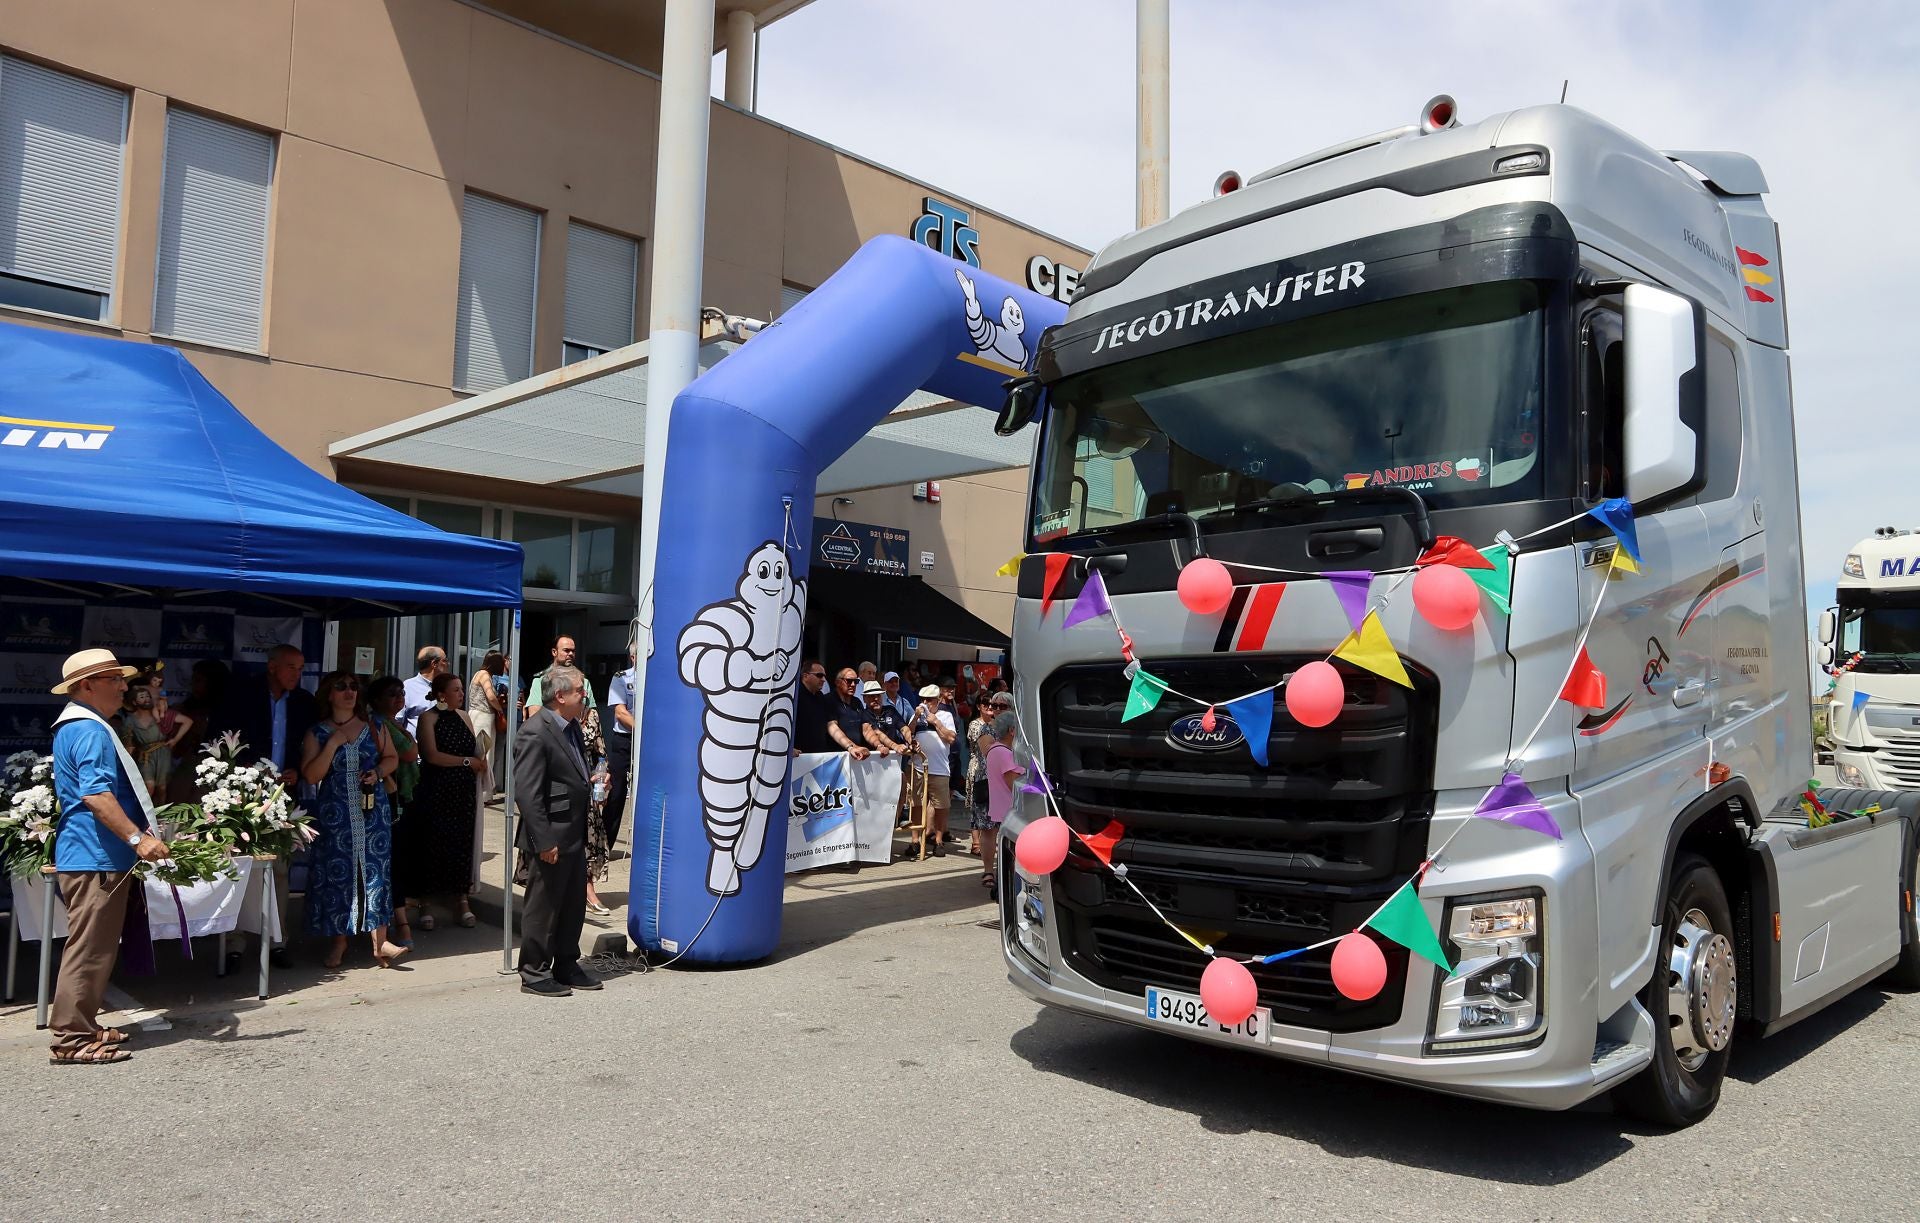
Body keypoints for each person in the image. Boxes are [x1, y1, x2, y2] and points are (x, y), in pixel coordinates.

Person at [46, 649, 169, 1065]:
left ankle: (83, 1025)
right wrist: (139, 840)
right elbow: (96, 796)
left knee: (95, 949)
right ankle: (71, 1039)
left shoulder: (82, 726)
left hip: (93, 854)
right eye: (114, 679)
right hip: (95, 856)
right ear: (86, 686)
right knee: (89, 950)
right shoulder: (90, 730)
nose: (124, 687)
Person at [210, 643, 315, 968]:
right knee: (240, 869)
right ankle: (234, 944)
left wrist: (296, 769)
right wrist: (252, 770)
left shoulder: (303, 702)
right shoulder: (242, 694)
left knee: (280, 870)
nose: (296, 674)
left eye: (300, 668)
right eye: (290, 667)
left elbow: (305, 744)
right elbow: (220, 741)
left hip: (283, 796)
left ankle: (277, 940)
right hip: (243, 794)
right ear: (272, 667)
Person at [299, 672, 407, 970]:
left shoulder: (375, 725)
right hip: (336, 814)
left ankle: (380, 942)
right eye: (341, 687)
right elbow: (311, 776)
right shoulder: (317, 733)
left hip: (373, 811)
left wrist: (378, 773)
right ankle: (339, 942)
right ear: (329, 694)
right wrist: (333, 744)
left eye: (353, 687)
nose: (349, 692)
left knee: (376, 871)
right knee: (339, 874)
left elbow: (392, 758)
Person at [513, 664, 599, 997]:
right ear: (560, 696)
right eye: (580, 691)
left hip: (574, 831)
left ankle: (566, 963)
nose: (585, 695)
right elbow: (528, 792)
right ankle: (534, 972)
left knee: (572, 904)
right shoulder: (536, 730)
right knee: (544, 906)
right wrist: (543, 839)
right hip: (551, 835)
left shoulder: (571, 726)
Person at [410, 672, 483, 930]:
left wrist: (479, 760)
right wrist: (466, 762)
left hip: (463, 791)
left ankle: (461, 900)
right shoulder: (427, 718)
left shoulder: (464, 717)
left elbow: (474, 749)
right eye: (456, 690)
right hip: (437, 789)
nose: (461, 694)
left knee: (461, 844)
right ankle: (426, 902)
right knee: (433, 844)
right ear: (442, 694)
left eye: (462, 689)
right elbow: (431, 755)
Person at [367, 676, 421, 947]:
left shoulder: (395, 723)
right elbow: (411, 753)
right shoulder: (378, 723)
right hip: (387, 801)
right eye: (392, 694)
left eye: (401, 693)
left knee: (399, 862)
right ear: (376, 699)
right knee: (391, 864)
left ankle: (398, 922)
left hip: (402, 796)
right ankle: (397, 926)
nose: (399, 698)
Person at [980, 709, 1024, 897]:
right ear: (1012, 730)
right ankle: (1007, 890)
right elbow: (1013, 784)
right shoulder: (1005, 753)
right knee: (1013, 854)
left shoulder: (994, 750)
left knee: (1007, 852)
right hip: (1010, 809)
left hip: (1001, 809)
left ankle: (1002, 888)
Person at [908, 682, 956, 855]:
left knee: (941, 805)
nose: (926, 703)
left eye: (930, 700)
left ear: (938, 700)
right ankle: (914, 840)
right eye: (923, 699)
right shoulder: (917, 715)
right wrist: (915, 717)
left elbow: (951, 738)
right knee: (916, 803)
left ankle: (938, 840)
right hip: (918, 766)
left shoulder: (946, 715)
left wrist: (935, 722)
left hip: (939, 768)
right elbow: (908, 734)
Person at [964, 691, 1012, 862]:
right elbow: (988, 751)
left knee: (1009, 827)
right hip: (987, 781)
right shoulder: (986, 727)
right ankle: (988, 871)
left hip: (1009, 781)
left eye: (1002, 706)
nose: (996, 709)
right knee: (987, 827)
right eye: (994, 706)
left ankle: (1006, 867)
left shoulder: (1018, 729)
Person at [603, 646, 636, 860]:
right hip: (625, 740)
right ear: (633, 656)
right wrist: (644, 731)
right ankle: (604, 846)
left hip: (648, 743)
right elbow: (620, 712)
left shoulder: (659, 679)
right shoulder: (622, 678)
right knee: (616, 795)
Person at [523, 636, 597, 717]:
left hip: (578, 728)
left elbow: (591, 715)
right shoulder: (541, 681)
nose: (571, 654)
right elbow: (534, 715)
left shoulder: (584, 682)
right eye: (566, 650)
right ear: (554, 652)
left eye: (573, 651)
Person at [939, 675, 969, 840]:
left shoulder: (953, 705)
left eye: (953, 688)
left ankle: (944, 829)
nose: (950, 691)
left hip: (955, 753)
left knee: (950, 793)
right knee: (941, 795)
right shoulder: (939, 707)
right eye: (947, 688)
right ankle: (938, 830)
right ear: (940, 690)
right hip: (946, 755)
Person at [793, 659, 838, 753]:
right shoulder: (794, 696)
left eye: (824, 676)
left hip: (818, 756)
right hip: (798, 757)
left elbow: (831, 725)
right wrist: (787, 749)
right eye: (819, 675)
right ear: (805, 676)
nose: (823, 680)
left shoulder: (821, 697)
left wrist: (850, 746)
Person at [401, 646, 446, 736]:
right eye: (444, 660)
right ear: (434, 664)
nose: (448, 664)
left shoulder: (446, 686)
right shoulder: (408, 687)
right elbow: (397, 720)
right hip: (417, 746)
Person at [859, 680, 911, 757]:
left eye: (878, 695)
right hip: (872, 758)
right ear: (864, 699)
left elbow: (904, 728)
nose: (876, 699)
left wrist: (911, 742)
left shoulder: (890, 710)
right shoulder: (863, 714)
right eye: (872, 696)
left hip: (895, 756)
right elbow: (877, 733)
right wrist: (895, 746)